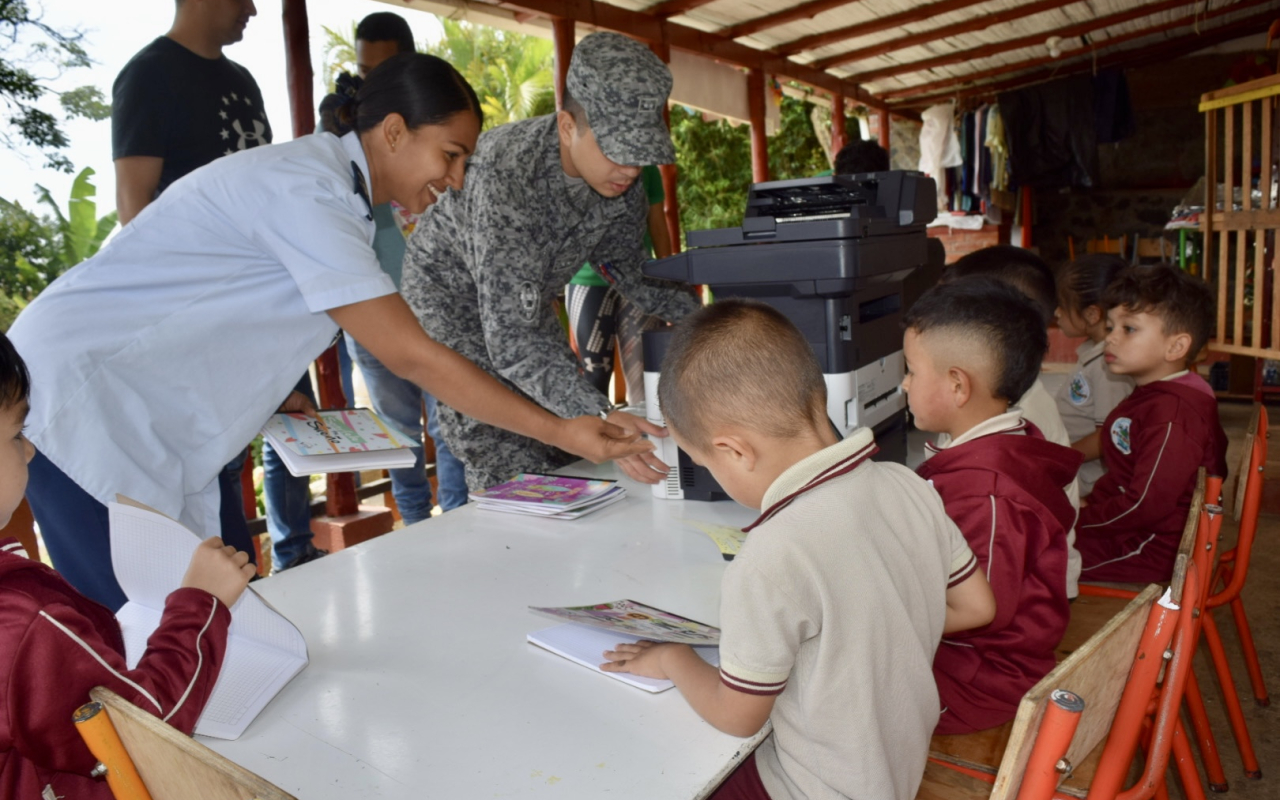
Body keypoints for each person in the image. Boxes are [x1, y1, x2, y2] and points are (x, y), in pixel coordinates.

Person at [13, 53, 651, 612]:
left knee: (205, 616)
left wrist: (276, 395)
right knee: (139, 632)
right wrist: (560, 429)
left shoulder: (337, 199)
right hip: (81, 402)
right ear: (394, 132)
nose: (455, 180)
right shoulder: (310, 191)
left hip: (135, 414)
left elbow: (227, 307)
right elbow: (413, 356)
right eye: (451, 155)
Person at [602, 300, 995, 800]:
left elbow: (737, 716)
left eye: (703, 462)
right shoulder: (907, 482)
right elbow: (977, 606)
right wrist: (879, 624)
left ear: (734, 451)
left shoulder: (771, 555)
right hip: (897, 775)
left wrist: (674, 658)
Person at [401, 32, 700, 492]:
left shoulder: (624, 184)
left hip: (524, 297)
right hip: (451, 298)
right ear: (566, 127)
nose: (630, 170)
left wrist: (713, 322)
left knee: (561, 446)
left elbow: (628, 269)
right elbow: (511, 341)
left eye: (641, 154)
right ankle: (498, 547)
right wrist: (598, 412)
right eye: (617, 149)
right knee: (499, 442)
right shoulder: (507, 175)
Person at [0, 331, 257, 799]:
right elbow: (141, 732)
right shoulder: (22, 623)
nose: (31, 450)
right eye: (17, 434)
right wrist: (201, 605)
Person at [111, 0, 276, 576]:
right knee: (195, 469)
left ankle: (233, 598)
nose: (254, 9)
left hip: (247, 309)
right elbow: (135, 207)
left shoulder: (242, 80)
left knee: (230, 462)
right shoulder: (149, 73)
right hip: (192, 314)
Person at [905, 279, 1081, 735]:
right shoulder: (1008, 444)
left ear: (958, 385)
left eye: (911, 370)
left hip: (978, 681)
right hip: (979, 663)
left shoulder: (987, 494)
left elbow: (980, 611)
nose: (904, 383)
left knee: (822, 696)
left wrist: (878, 609)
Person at [319, 10, 470, 524]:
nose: (371, 84)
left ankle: (458, 524)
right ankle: (414, 527)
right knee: (397, 432)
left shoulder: (438, 148)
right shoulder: (337, 174)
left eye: (383, 70)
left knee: (451, 425)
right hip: (374, 312)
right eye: (364, 72)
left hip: (439, 313)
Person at [936, 244, 1083, 598]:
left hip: (1026, 597)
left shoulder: (1013, 422)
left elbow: (995, 569)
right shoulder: (1008, 397)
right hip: (1013, 576)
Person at [1077, 264, 1228, 583]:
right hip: (1139, 531)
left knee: (1034, 560)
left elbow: (1145, 505)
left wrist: (1078, 520)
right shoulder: (1159, 393)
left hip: (1151, 548)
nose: (1111, 339)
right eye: (1110, 327)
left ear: (1176, 347)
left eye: (1128, 329)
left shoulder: (1171, 414)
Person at [566, 164, 672, 405]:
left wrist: (669, 280)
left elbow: (657, 222)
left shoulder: (646, 168)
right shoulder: (578, 163)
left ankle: (651, 442)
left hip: (639, 279)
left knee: (647, 378)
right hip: (587, 279)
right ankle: (596, 441)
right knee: (595, 376)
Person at [1053, 254, 1134, 497]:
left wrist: (1058, 461)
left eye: (1062, 305)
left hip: (1088, 484)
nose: (1056, 312)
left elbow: (1106, 436)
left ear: (1091, 314)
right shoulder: (1093, 353)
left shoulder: (1109, 366)